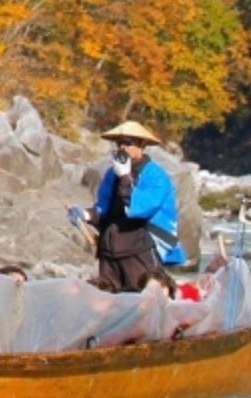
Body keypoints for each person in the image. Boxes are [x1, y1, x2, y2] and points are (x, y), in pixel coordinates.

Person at [75, 120, 179, 295]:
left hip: (139, 247)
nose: (122, 147)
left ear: (141, 145)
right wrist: (85, 214)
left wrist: (125, 177)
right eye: (119, 143)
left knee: (142, 299)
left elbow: (142, 208)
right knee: (106, 300)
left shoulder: (155, 174)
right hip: (109, 249)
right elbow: (104, 208)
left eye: (128, 143)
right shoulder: (111, 173)